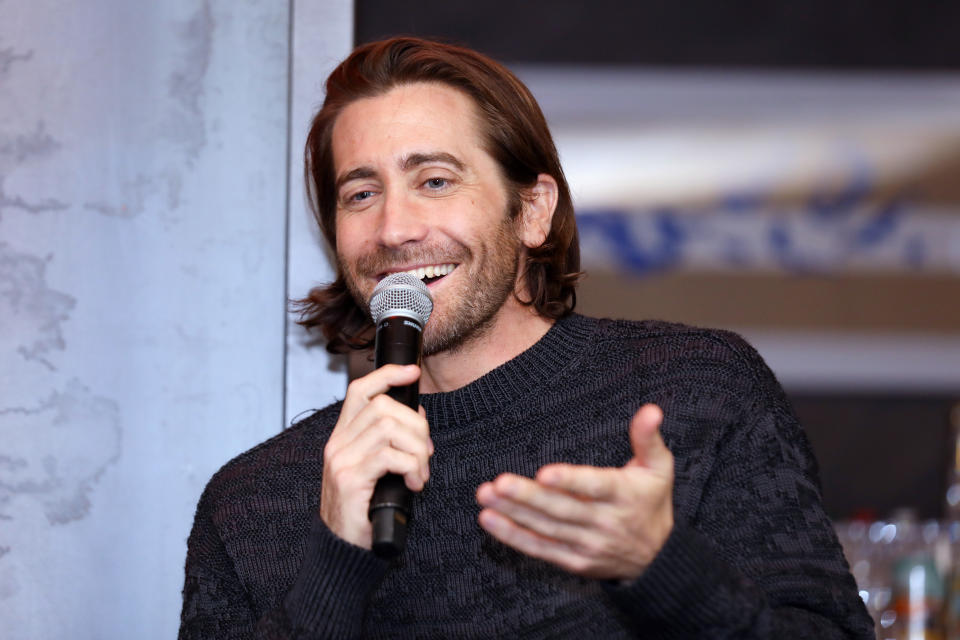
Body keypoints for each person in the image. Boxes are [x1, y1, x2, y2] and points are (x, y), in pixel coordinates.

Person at [179, 37, 874, 639]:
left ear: (532, 211)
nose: (394, 228)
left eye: (435, 180)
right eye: (361, 194)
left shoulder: (696, 394)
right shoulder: (254, 499)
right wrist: (335, 562)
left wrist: (660, 566)